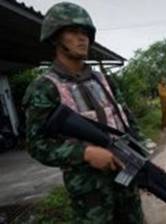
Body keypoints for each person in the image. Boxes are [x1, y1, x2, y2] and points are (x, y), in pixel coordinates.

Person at [22, 2, 144, 223]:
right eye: (73, 32)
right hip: (90, 197)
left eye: (85, 33)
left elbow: (127, 121)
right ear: (56, 38)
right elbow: (36, 145)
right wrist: (84, 153)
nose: (82, 38)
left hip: (126, 182)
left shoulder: (104, 80)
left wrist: (143, 158)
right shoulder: (45, 87)